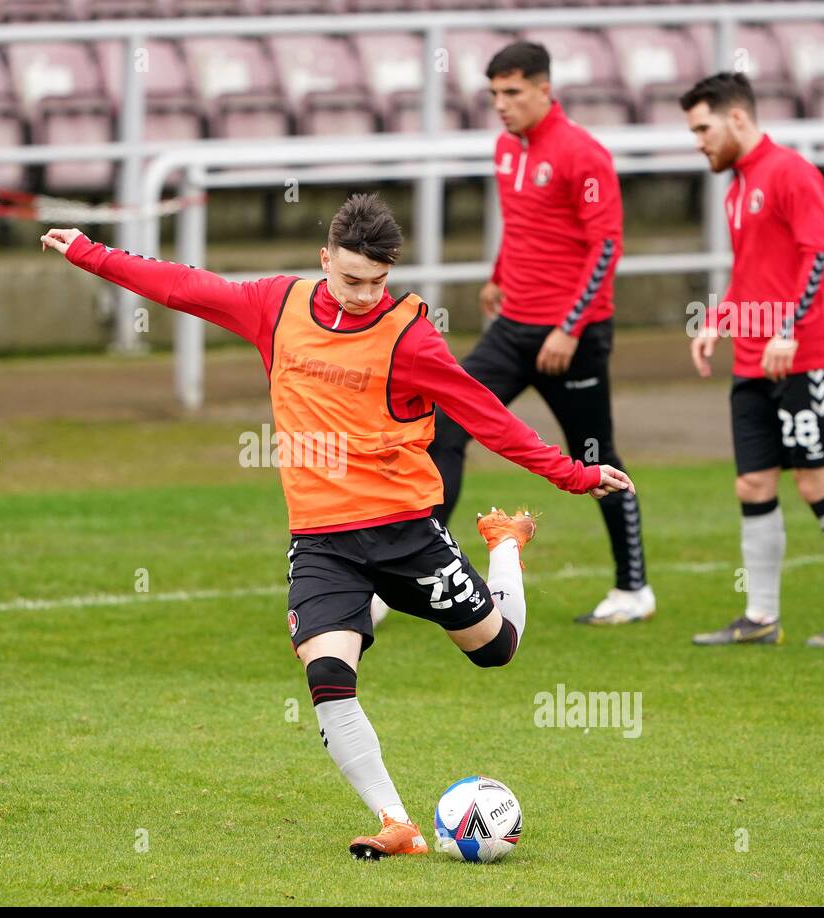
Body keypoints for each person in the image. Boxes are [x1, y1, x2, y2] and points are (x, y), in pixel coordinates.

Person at [41, 193, 634, 858]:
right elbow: (185, 287)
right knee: (327, 674)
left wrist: (573, 474)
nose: (363, 294)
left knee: (497, 650)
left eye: (377, 282)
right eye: (351, 279)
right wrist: (90, 253)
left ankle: (503, 547)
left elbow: (485, 413)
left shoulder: (410, 334)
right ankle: (397, 822)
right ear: (325, 260)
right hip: (322, 540)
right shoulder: (277, 305)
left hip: (407, 530)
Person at [426, 40, 654, 627]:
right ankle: (421, 565)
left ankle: (634, 589)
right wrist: (498, 275)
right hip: (512, 328)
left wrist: (569, 328)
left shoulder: (583, 154)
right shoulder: (506, 149)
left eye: (512, 92)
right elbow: (526, 223)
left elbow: (606, 246)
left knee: (594, 454)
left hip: (570, 337)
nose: (501, 105)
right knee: (443, 423)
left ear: (545, 89)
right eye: (494, 93)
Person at [681, 72, 824, 647]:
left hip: (805, 358)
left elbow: (820, 254)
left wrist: (789, 329)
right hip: (753, 360)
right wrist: (720, 322)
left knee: (817, 481)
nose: (698, 141)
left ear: (737, 118)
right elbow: (752, 274)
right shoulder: (737, 188)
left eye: (703, 128)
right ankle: (761, 617)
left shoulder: (791, 172)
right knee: (752, 484)